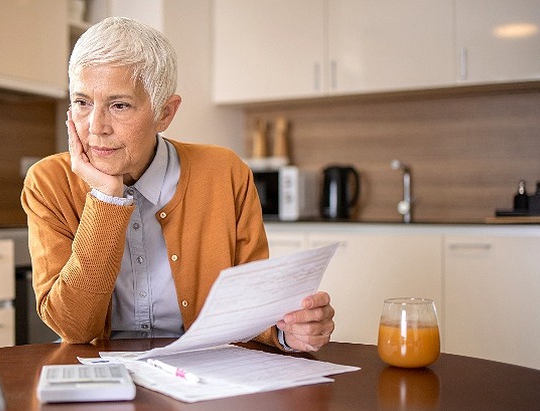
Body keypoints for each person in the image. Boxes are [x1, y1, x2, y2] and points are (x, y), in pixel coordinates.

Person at [21, 16, 334, 352]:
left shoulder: (225, 172)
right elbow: (74, 327)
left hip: (202, 370)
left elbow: (249, 307)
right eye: (82, 102)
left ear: (165, 113)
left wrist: (290, 330)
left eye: (119, 105)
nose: (96, 127)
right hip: (98, 374)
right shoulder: (48, 182)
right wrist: (106, 198)